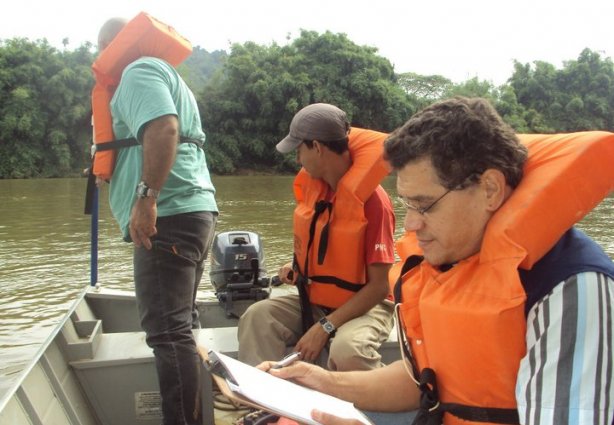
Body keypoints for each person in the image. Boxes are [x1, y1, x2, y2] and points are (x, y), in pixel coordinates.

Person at [260, 97, 614, 425]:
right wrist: (320, 380)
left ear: (490, 190)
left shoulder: (569, 286)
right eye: (407, 205)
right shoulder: (451, 259)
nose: (412, 225)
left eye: (425, 205)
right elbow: (424, 380)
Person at [95, 16, 218, 425]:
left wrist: (146, 200)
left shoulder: (137, 70)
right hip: (192, 211)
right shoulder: (162, 73)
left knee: (167, 332)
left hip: (170, 216)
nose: (101, 59)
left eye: (103, 49)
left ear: (118, 45)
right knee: (180, 326)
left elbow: (164, 129)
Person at [238, 103, 396, 371]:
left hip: (367, 307)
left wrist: (325, 326)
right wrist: (296, 271)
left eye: (299, 150)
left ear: (318, 148)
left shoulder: (374, 203)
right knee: (257, 317)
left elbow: (379, 287)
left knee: (348, 351)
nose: (298, 159)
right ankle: (266, 406)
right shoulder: (317, 192)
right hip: (316, 301)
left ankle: (379, 409)